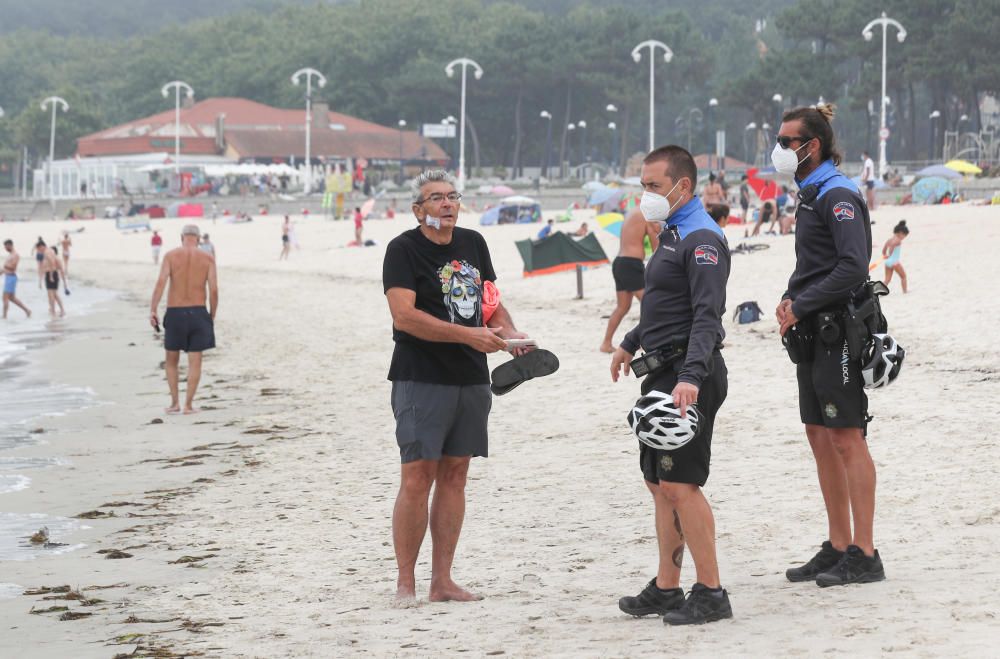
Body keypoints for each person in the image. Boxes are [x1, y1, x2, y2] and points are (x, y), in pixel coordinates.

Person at [382, 170, 533, 602]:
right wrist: (470, 336)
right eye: (435, 198)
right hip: (420, 374)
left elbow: (490, 301)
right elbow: (404, 316)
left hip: (471, 377)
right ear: (418, 209)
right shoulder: (403, 249)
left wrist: (509, 332)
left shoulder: (473, 243)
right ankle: (405, 582)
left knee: (456, 474)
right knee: (417, 476)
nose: (446, 204)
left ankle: (442, 581)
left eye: (452, 196)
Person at [611, 145, 733, 625]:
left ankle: (711, 591)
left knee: (681, 484)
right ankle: (667, 586)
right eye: (642, 185)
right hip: (661, 371)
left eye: (654, 186)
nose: (646, 195)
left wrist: (690, 378)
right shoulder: (671, 234)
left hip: (689, 373)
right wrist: (629, 342)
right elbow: (662, 305)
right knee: (659, 483)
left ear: (683, 187)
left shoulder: (703, 239)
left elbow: (706, 316)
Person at [773, 104, 885, 587]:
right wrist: (789, 296)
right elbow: (813, 263)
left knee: (847, 437)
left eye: (785, 142)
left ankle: (865, 551)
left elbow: (853, 267)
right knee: (819, 435)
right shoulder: (811, 193)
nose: (778, 150)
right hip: (813, 329)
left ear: (810, 146)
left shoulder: (838, 194)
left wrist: (802, 304)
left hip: (838, 327)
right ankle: (839, 543)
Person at [149, 224, 219, 415]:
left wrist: (153, 309)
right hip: (198, 312)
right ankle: (188, 405)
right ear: (197, 238)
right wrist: (211, 314)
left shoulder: (171, 256)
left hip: (175, 312)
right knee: (195, 361)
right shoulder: (208, 258)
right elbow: (213, 289)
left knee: (171, 360)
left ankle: (174, 403)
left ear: (182, 237)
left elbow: (161, 282)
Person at [599, 209, 661, 353]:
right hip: (631, 264)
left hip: (620, 262)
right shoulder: (649, 215)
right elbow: (656, 248)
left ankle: (606, 343)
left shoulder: (633, 213)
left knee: (622, 307)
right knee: (649, 303)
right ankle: (647, 341)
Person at [3, 239, 31, 319]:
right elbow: (6, 268)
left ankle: (4, 316)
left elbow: (13, 267)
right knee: (11, 298)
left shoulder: (15, 255)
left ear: (10, 245)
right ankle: (27, 311)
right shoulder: (10, 255)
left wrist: (4, 267)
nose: (5, 248)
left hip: (11, 278)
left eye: (6, 247)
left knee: (5, 297)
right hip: (8, 277)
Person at [882, 220, 909, 293]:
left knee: (887, 280)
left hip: (888, 262)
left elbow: (884, 250)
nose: (903, 238)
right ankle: (905, 291)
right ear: (901, 233)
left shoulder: (889, 240)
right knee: (903, 277)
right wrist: (890, 253)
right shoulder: (898, 240)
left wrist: (885, 255)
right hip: (895, 262)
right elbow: (892, 246)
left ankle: (879, 292)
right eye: (904, 236)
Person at [42, 245, 66, 317]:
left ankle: (60, 310)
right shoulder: (48, 259)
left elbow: (61, 270)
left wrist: (64, 283)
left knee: (54, 294)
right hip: (49, 275)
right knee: (50, 294)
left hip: (54, 276)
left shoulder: (56, 259)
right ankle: (52, 309)